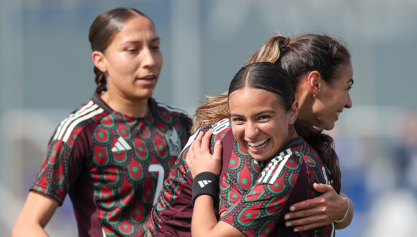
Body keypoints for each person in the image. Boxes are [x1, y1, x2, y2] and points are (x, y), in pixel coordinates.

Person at [145, 34, 354, 236]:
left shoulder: (279, 141)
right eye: (346, 87)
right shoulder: (249, 144)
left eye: (263, 117)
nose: (348, 102)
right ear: (315, 83)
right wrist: (204, 179)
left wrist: (344, 209)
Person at [12, 8, 191, 237]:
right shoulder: (81, 130)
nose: (149, 60)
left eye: (155, 47)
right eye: (133, 50)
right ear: (101, 61)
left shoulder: (180, 124)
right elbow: (26, 226)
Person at [187, 62, 339, 236]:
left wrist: (203, 178)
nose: (250, 133)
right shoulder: (294, 155)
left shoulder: (290, 168)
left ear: (292, 112)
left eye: (263, 117)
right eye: (239, 120)